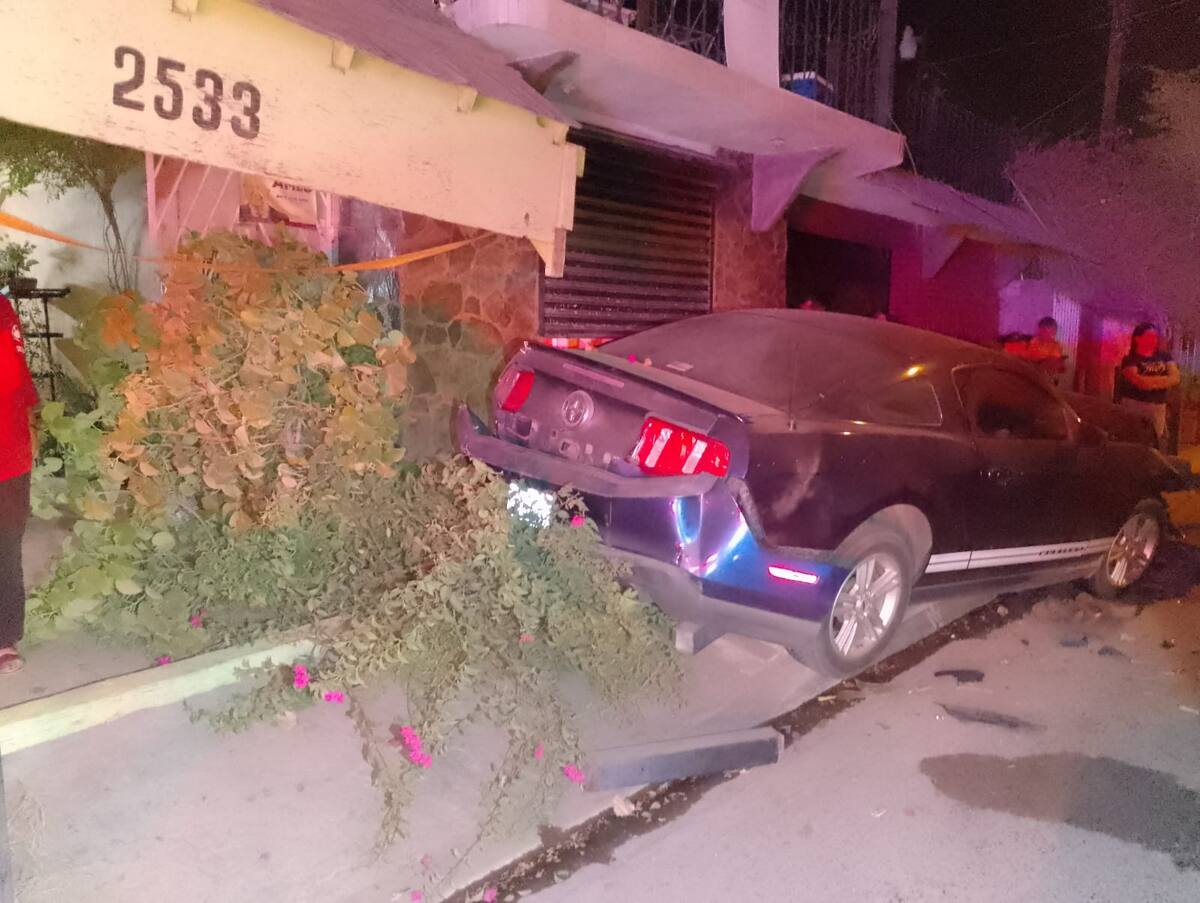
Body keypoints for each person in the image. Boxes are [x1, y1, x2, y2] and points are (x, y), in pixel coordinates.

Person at [0, 291, 37, 673]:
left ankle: (3, 637)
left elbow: (15, 377)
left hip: (7, 453)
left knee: (5, 547)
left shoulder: (1, 309)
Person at [1117, 322, 1180, 450]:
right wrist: (1163, 379)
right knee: (1134, 441)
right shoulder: (1130, 360)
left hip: (1158, 407)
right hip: (1135, 406)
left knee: (1156, 441)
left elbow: (1175, 378)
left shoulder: (1164, 357)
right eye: (1149, 336)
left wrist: (1150, 381)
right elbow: (1140, 382)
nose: (1154, 339)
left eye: (1155, 336)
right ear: (1137, 339)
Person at [1024, 316, 1067, 383]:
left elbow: (1056, 363)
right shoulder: (1033, 342)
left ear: (1054, 332)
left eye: (1050, 333)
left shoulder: (1056, 346)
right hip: (1033, 375)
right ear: (1039, 331)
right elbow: (1031, 358)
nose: (1046, 335)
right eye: (1043, 332)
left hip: (1048, 378)